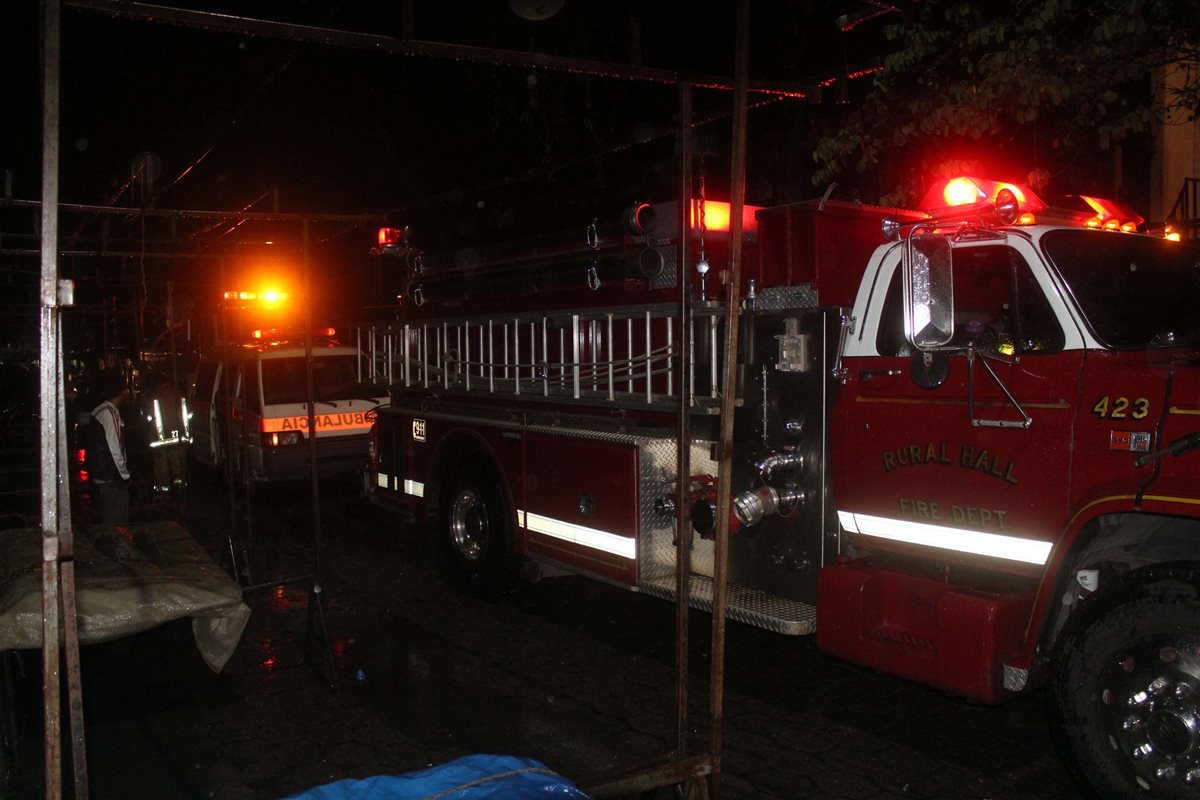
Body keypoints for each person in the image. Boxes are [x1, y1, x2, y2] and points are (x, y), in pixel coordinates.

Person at [87, 368, 130, 526]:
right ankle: (117, 549)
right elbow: (114, 449)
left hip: (101, 474)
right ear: (123, 392)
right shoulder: (110, 414)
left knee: (109, 518)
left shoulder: (99, 410)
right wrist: (125, 475)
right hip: (110, 477)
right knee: (116, 523)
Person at [143, 372, 191, 496]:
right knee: (178, 466)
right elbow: (188, 416)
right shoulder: (179, 394)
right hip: (178, 438)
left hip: (159, 441)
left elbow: (148, 418)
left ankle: (163, 494)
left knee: (161, 469)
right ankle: (180, 492)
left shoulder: (153, 397)